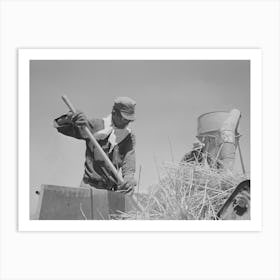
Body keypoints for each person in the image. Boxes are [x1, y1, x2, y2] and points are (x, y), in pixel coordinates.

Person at [54, 97, 137, 194]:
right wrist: (70, 119)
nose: (127, 122)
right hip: (89, 187)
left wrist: (129, 177)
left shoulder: (128, 137)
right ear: (114, 112)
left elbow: (129, 160)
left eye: (129, 120)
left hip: (111, 191)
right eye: (124, 118)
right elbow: (60, 126)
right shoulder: (96, 125)